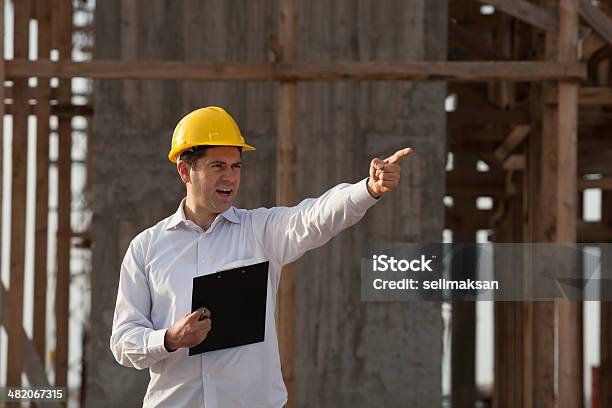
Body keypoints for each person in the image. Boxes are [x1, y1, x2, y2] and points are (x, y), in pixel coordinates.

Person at [110, 106, 412, 408]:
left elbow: (315, 217)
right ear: (185, 170)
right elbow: (123, 342)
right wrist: (169, 338)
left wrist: (368, 189)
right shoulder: (146, 248)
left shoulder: (260, 232)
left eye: (236, 166)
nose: (230, 177)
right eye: (218, 166)